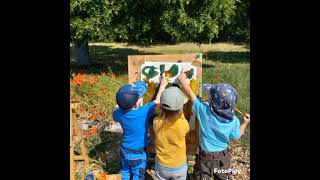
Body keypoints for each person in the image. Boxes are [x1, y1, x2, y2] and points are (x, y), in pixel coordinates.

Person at [177, 70, 250, 180]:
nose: (208, 97)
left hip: (204, 158)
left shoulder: (204, 112)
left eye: (210, 96)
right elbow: (236, 136)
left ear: (212, 103)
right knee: (223, 177)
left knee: (200, 177)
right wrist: (245, 123)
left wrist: (183, 81)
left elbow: (191, 96)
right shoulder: (234, 120)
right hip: (223, 158)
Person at [112, 76, 168, 180]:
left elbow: (115, 109)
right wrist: (163, 85)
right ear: (138, 103)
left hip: (124, 150)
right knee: (138, 175)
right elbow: (157, 100)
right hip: (138, 153)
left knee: (125, 172)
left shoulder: (118, 114)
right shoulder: (143, 111)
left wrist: (121, 98)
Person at [153, 86, 190, 180]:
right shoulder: (183, 124)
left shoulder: (156, 122)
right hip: (179, 166)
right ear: (180, 108)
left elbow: (157, 107)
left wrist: (162, 85)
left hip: (161, 165)